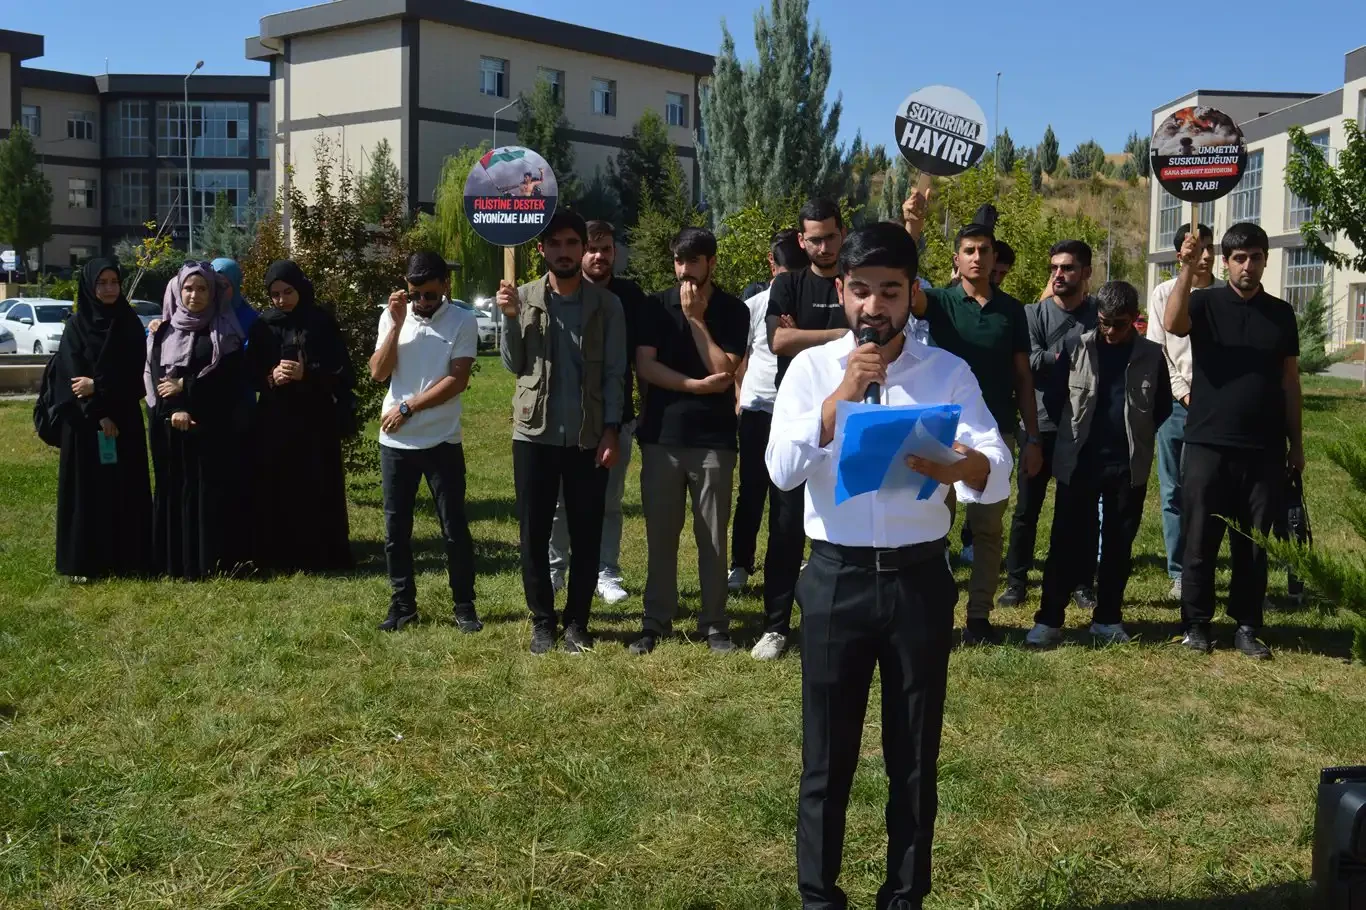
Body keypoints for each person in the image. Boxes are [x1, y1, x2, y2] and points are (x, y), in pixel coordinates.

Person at [767, 222, 1011, 910]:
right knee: (826, 759)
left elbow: (997, 470)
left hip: (918, 583)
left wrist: (962, 464)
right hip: (836, 578)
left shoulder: (947, 373)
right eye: (863, 291)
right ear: (841, 290)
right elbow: (781, 472)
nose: (875, 307)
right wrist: (838, 398)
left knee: (913, 758)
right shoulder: (810, 370)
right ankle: (820, 898)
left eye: (891, 292)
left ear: (912, 296)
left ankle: (904, 897)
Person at [1162, 222, 1302, 660]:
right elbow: (1172, 322)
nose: (1247, 265)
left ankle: (1246, 624)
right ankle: (1197, 624)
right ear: (1225, 263)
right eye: (1239, 258)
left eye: (1255, 257)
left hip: (1263, 448)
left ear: (1265, 260)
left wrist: (1296, 445)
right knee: (1201, 536)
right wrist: (1185, 268)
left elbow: (1290, 383)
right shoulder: (1204, 302)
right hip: (1207, 441)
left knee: (1255, 542)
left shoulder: (1281, 314)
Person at [905, 216, 1044, 645]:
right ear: (957, 258)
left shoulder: (1012, 311)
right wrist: (912, 228)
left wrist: (1032, 437)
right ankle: (935, 612)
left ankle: (979, 616)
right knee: (933, 526)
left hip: (995, 435)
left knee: (987, 530)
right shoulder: (940, 302)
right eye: (969, 250)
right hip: (942, 433)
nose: (978, 257)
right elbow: (904, 285)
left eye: (985, 250)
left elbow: (1023, 378)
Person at [499, 210, 626, 654]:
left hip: (588, 437)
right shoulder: (524, 296)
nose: (565, 252)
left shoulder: (606, 305)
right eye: (555, 244)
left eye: (573, 243)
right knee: (533, 532)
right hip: (533, 434)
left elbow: (615, 373)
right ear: (542, 250)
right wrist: (511, 318)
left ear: (582, 248)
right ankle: (542, 620)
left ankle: (577, 623)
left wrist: (611, 430)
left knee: (587, 531)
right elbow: (514, 364)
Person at [1028, 281, 1171, 647]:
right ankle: (1049, 620)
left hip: (1126, 466)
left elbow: (1161, 408)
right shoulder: (1076, 348)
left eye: (1119, 324)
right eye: (1104, 322)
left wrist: (1135, 439)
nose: (1109, 331)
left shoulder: (1152, 356)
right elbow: (1057, 398)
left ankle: (1108, 618)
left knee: (1118, 546)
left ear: (1135, 320)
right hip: (1079, 463)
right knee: (1065, 542)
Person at [631, 227, 748, 655]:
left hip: (714, 440)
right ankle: (654, 621)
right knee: (661, 536)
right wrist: (696, 387)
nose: (684, 273)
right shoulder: (654, 306)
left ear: (711, 263)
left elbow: (727, 370)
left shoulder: (734, 311)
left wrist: (698, 320)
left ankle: (714, 623)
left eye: (693, 262)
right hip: (662, 437)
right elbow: (646, 366)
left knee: (713, 536)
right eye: (678, 262)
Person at [758, 197, 849, 660]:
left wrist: (804, 338)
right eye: (815, 238)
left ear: (842, 234)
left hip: (852, 418)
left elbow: (798, 340)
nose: (824, 246)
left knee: (840, 526)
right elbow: (779, 340)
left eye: (831, 236)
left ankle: (831, 619)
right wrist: (840, 335)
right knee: (786, 527)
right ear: (802, 241)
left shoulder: (854, 284)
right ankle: (775, 626)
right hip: (795, 420)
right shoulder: (788, 285)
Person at [370, 252, 480, 633]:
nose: (422, 303)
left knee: (454, 528)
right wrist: (397, 325)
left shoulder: (463, 319)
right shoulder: (392, 316)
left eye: (430, 295)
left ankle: (464, 605)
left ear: (445, 287)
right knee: (395, 531)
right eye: (415, 294)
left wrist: (408, 407)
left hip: (441, 441)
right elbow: (377, 372)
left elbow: (458, 380)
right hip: (396, 444)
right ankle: (402, 605)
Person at [547, 219, 645, 605]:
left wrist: (639, 412)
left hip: (615, 417)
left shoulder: (629, 297)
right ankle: (556, 571)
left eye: (606, 249)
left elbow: (636, 359)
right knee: (559, 504)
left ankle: (607, 572)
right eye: (592, 248)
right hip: (561, 420)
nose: (599, 256)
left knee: (609, 500)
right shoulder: (560, 291)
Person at [998, 240, 1100, 609]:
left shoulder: (1098, 314)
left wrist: (1055, 358)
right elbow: (1030, 361)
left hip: (1084, 425)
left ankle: (1081, 582)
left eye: (1068, 268)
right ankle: (1016, 581)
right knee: (1027, 508)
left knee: (1081, 510)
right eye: (1054, 267)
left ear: (1086, 273)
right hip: (1039, 424)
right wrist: (1070, 354)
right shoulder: (1032, 314)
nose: (1058, 274)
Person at [245, 260, 355, 573]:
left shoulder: (320, 321)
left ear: (300, 288)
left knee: (316, 482)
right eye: (275, 294)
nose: (282, 300)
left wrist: (308, 373)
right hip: (275, 419)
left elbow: (341, 371)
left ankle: (321, 553)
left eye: (287, 291)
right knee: (277, 484)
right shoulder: (264, 325)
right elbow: (249, 371)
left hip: (315, 418)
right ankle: (280, 554)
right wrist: (271, 376)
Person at [49, 258, 153, 581]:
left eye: (114, 282)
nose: (109, 289)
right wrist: (99, 414)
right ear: (90, 286)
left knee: (125, 490)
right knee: (87, 493)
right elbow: (72, 379)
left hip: (124, 421)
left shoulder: (130, 323)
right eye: (102, 283)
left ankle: (129, 559)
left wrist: (100, 388)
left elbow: (137, 377)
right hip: (84, 424)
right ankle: (85, 563)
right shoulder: (76, 327)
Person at [146, 262, 250, 580]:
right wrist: (175, 407)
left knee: (210, 492)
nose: (195, 295)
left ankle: (212, 563)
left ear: (213, 291)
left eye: (202, 288)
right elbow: (156, 376)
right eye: (188, 288)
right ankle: (176, 563)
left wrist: (187, 387)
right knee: (177, 490)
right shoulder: (163, 331)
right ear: (178, 291)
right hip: (171, 426)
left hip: (214, 426)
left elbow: (230, 381)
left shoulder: (226, 331)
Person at [730, 230, 809, 594]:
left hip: (796, 411)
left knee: (791, 490)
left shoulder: (809, 303)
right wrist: (739, 397)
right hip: (759, 408)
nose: (789, 282)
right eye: (784, 274)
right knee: (752, 489)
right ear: (771, 266)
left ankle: (793, 557)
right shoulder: (755, 305)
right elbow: (740, 358)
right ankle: (741, 564)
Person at [1147, 223, 1221, 600]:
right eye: (1199, 249)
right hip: (1177, 407)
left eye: (1211, 248)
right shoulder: (1163, 294)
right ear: (1183, 254)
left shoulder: (1226, 294)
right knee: (1174, 490)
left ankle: (1205, 565)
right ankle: (1179, 571)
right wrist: (1184, 394)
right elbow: (1159, 351)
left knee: (1212, 491)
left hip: (1219, 409)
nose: (1206, 256)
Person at [211, 257, 258, 336]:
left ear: (235, 287)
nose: (219, 290)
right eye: (215, 284)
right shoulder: (200, 316)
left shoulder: (252, 320)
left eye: (225, 286)